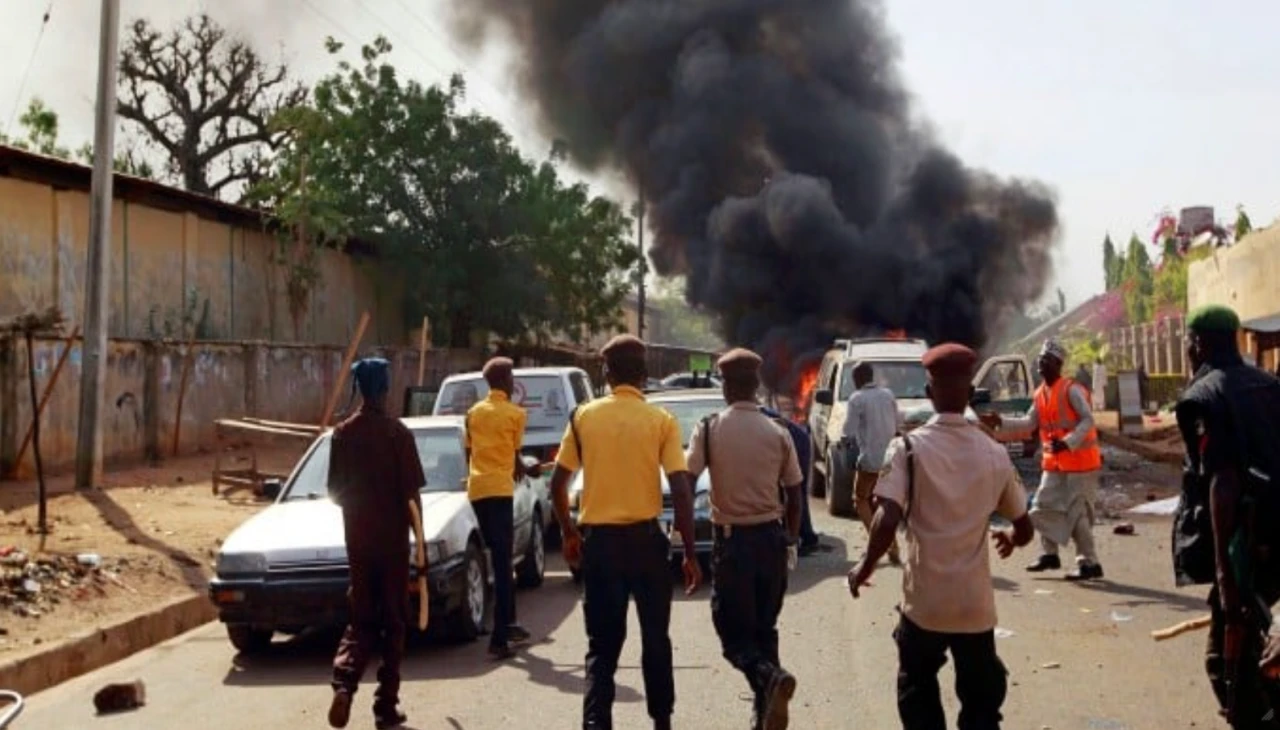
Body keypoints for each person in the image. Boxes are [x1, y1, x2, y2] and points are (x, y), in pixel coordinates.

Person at [848, 343, 1035, 730]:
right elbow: (1025, 526)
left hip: (925, 606)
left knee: (917, 692)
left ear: (929, 393)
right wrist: (1011, 540)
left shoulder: (908, 449)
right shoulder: (993, 452)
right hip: (974, 608)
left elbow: (886, 519)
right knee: (982, 707)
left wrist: (864, 567)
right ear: (970, 393)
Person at [548, 335, 702, 730]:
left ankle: (597, 724)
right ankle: (662, 723)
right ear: (645, 373)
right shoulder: (661, 420)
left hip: (600, 547)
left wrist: (568, 532)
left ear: (607, 371)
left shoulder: (583, 417)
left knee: (601, 647)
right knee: (656, 640)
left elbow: (557, 485)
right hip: (648, 545)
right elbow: (681, 489)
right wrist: (688, 551)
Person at [1173, 304, 1280, 728]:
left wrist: (1225, 576)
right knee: (1257, 658)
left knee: (1226, 663)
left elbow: (1223, 484)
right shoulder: (1269, 385)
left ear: (1196, 345)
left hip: (1243, 548)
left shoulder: (1203, 397)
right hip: (1274, 539)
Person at [687, 349, 805, 730]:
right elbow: (795, 493)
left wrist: (684, 537)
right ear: (755, 386)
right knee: (764, 628)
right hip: (771, 540)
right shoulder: (778, 431)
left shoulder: (709, 429)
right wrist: (789, 538)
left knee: (732, 635)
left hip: (732, 543)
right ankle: (765, 712)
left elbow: (688, 483)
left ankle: (769, 680)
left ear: (726, 385)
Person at [327, 358, 427, 730]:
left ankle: (345, 685)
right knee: (394, 622)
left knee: (360, 619)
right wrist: (422, 551)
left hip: (359, 542)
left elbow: (334, 493)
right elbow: (412, 500)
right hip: (393, 546)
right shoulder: (398, 435)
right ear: (384, 390)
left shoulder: (342, 434)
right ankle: (385, 706)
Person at [984, 338, 1105, 581]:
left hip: (1080, 465)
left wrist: (1068, 442)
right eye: (1040, 359)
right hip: (1055, 464)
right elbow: (1029, 423)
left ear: (1058, 364)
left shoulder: (1070, 389)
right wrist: (1001, 422)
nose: (1040, 363)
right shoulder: (1040, 394)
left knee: (1077, 514)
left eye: (1046, 360)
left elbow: (1088, 420)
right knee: (1042, 505)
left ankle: (1089, 563)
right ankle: (1049, 555)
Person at [465, 357, 538, 660]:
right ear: (504, 381)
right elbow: (516, 459)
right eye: (511, 377)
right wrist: (525, 469)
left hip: (477, 490)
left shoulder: (473, 413)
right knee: (504, 564)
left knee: (495, 556)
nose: (512, 382)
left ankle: (509, 623)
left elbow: (470, 451)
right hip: (500, 491)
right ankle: (500, 636)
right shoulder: (515, 415)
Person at [843, 362, 902, 564]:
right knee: (884, 504)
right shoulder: (888, 394)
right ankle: (892, 546)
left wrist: (845, 443)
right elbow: (898, 424)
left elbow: (848, 431)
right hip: (891, 459)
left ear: (857, 379)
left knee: (860, 499)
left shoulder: (857, 398)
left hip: (870, 459)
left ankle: (879, 543)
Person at [760, 405, 821, 555]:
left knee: (796, 490)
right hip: (796, 439)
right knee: (795, 492)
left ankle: (805, 537)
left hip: (797, 443)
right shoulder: (750, 415)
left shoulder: (755, 418)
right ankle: (803, 534)